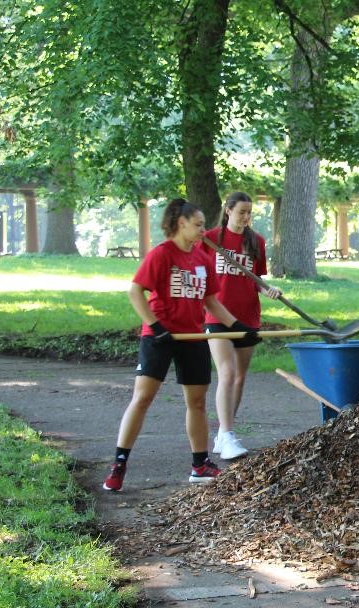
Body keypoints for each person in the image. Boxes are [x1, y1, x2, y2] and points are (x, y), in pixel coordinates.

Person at [102, 198, 258, 492]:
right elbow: (135, 291)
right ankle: (119, 464)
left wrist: (238, 328)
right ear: (181, 223)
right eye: (198, 225)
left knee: (196, 402)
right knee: (143, 398)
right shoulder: (162, 254)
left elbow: (211, 300)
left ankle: (200, 464)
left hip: (193, 336)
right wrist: (156, 325)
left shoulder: (202, 259)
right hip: (159, 337)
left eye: (203, 225)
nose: (203, 230)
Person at [202, 191, 281, 460]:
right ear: (228, 211)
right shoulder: (210, 239)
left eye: (249, 213)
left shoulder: (256, 241)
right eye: (241, 212)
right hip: (218, 316)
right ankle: (226, 435)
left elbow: (256, 279)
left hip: (248, 316)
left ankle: (225, 432)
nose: (246, 217)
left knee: (238, 377)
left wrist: (269, 289)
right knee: (226, 372)